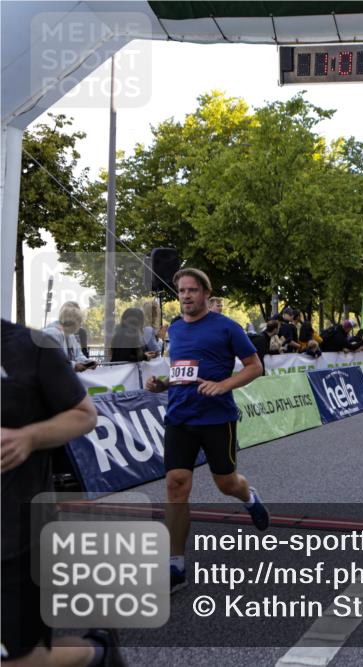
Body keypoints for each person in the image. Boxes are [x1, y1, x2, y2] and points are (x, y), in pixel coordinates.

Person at [1, 319, 124, 666]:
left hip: (15, 532)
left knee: (19, 661)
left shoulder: (31, 346)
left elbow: (85, 415)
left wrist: (29, 437)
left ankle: (97, 652)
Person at [144, 268, 270, 593]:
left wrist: (223, 385)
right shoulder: (175, 328)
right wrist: (162, 384)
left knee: (226, 483)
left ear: (205, 293)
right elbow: (182, 371)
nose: (186, 296)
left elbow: (255, 366)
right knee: (175, 484)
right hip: (179, 416)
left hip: (216, 418)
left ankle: (249, 496)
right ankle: (175, 565)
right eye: (181, 291)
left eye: (192, 290)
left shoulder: (227, 327)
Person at [42, 303, 95, 372]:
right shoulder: (52, 333)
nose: (80, 325)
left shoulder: (70, 334)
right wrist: (74, 365)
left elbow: (78, 354)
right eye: (79, 321)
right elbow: (53, 360)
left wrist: (87, 362)